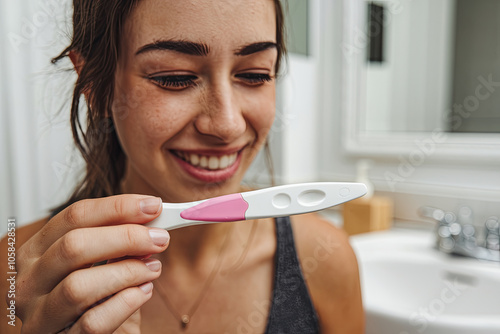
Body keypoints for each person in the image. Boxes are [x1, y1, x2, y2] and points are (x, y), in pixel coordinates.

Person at [0, 0, 364, 333]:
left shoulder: (326, 260)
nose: (227, 125)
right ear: (93, 87)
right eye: (174, 77)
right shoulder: (15, 272)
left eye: (255, 74)